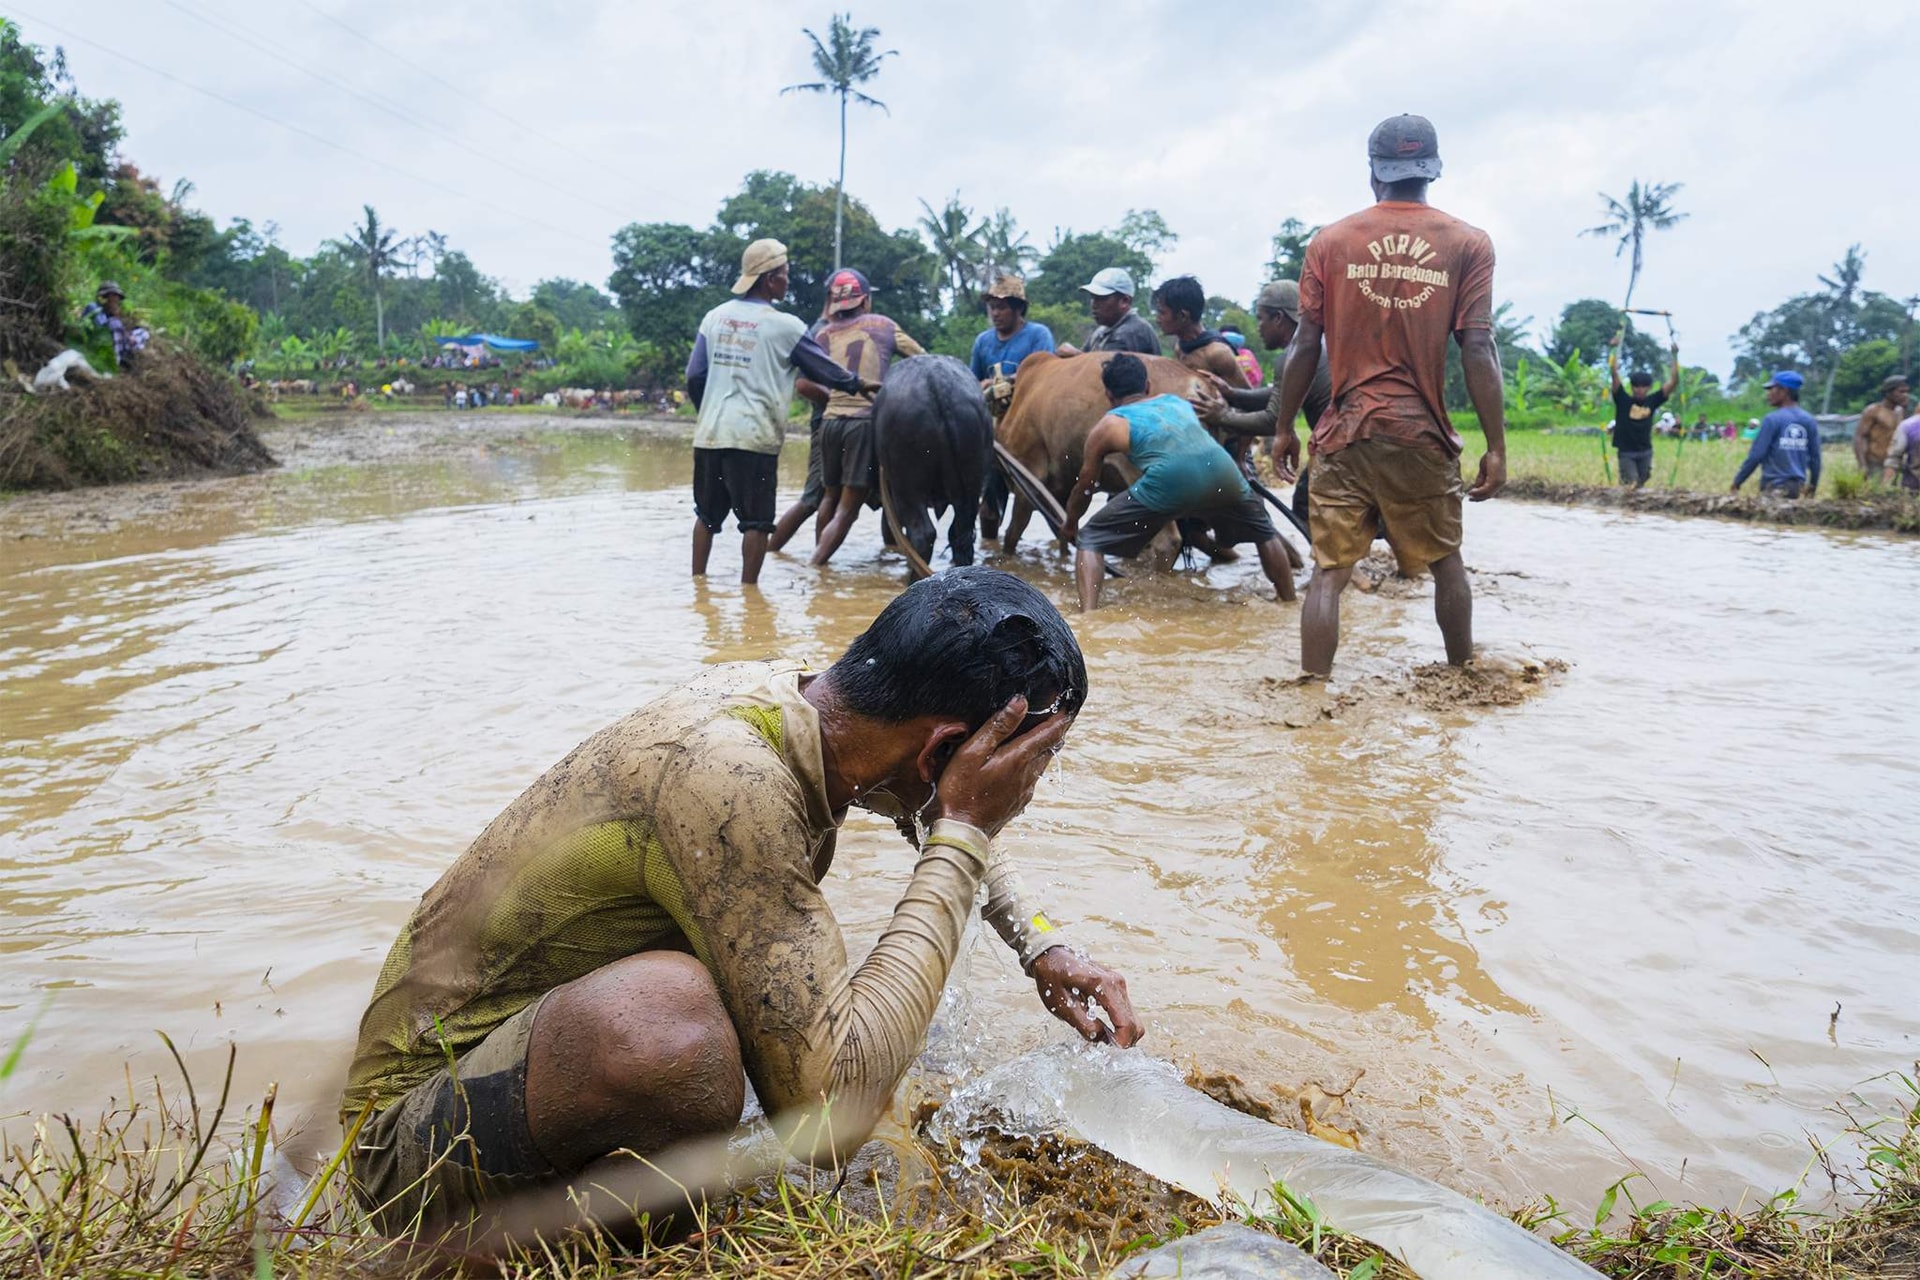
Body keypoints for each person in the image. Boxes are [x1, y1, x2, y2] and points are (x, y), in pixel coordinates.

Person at [341, 568, 1142, 1240]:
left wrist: (1040, 941)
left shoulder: (806, 706)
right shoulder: (732, 781)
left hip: (522, 1070)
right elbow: (831, 1118)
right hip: (405, 1151)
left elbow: (928, 804)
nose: (1022, 793)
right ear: (942, 750)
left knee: (739, 1014)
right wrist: (966, 827)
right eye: (1025, 769)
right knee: (676, 1024)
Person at [1266, 113, 1506, 677]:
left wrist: (1284, 429)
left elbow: (1305, 343)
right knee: (1447, 563)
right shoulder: (1469, 244)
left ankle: (1313, 692)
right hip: (1420, 434)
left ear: (1376, 172)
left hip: (1345, 432)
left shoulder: (1331, 241)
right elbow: (1478, 348)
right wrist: (1495, 445)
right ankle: (1461, 679)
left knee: (1330, 572)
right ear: (1431, 172)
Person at [684, 239, 877, 586]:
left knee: (707, 516)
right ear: (770, 279)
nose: (788, 280)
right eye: (785, 274)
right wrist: (858, 385)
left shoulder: (714, 317)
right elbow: (823, 368)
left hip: (709, 435)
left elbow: (694, 375)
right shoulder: (785, 325)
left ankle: (698, 583)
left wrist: (708, 412)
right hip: (754, 438)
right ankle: (749, 595)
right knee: (756, 523)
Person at [1060, 354, 1295, 611]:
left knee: (1092, 539)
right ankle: (1289, 603)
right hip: (1223, 472)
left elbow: (1085, 485)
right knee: (1265, 533)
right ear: (1147, 385)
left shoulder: (1108, 425)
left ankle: (1089, 617)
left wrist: (1071, 523)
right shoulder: (1175, 401)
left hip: (1168, 482)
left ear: (1108, 393)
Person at [809, 268, 927, 566]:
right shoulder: (883, 325)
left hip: (829, 423)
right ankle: (816, 567)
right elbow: (923, 359)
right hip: (862, 424)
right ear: (865, 301)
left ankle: (817, 554)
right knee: (848, 508)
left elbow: (811, 379)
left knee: (829, 497)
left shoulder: (824, 333)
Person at [1192, 279, 1332, 514]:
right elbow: (1284, 393)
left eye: (1260, 318)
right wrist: (1233, 395)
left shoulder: (1297, 356)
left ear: (1278, 318)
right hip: (1356, 439)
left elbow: (1272, 421)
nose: (1258, 327)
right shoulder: (1320, 344)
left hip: (1340, 445)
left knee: (1306, 507)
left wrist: (1221, 416)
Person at [1607, 330, 1680, 489]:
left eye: (1643, 387)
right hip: (1626, 452)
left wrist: (1674, 356)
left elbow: (1674, 382)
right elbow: (1614, 374)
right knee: (1632, 483)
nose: (1640, 390)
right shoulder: (1622, 399)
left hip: (1645, 450)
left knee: (1642, 481)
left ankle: (1625, 502)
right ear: (1632, 387)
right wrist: (1613, 350)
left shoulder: (1652, 401)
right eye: (1636, 387)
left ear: (1648, 388)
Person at [1732, 370, 1822, 498]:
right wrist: (1812, 487)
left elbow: (1756, 455)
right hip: (1797, 489)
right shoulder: (1808, 420)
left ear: (1784, 391)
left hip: (1774, 487)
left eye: (1771, 390)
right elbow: (1815, 458)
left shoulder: (1772, 419)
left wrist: (1738, 481)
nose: (1768, 395)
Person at [1150, 275, 1248, 390]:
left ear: (1183, 316)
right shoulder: (1180, 348)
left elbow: (1249, 401)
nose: (1157, 319)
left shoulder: (1217, 353)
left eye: (1162, 313)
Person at [970, 275, 1056, 403]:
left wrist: (999, 382)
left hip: (1028, 407)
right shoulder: (982, 341)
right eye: (992, 308)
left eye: (1001, 308)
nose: (995, 314)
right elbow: (973, 381)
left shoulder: (1038, 335)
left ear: (1019, 308)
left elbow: (1042, 375)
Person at [1055, 267, 1161, 357]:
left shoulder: (1132, 332)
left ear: (1124, 301)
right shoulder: (1103, 330)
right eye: (1093, 297)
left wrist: (1075, 355)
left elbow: (1105, 371)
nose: (1094, 304)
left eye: (1101, 298)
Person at [78, 281, 151, 369]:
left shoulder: (111, 311)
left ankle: (125, 356)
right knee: (114, 325)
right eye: (113, 296)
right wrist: (113, 316)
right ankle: (114, 361)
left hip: (114, 343)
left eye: (117, 297)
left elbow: (122, 330)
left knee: (143, 333)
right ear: (105, 296)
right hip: (96, 343)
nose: (116, 299)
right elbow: (101, 328)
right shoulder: (94, 307)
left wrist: (128, 335)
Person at [1854, 375, 1911, 481]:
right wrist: (1862, 465)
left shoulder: (1900, 411)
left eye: (1906, 392)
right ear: (1888, 392)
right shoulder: (1873, 411)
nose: (1905, 395)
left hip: (1892, 465)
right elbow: (1860, 438)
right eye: (1901, 392)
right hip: (1874, 464)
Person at [1884, 407, 1920, 492]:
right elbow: (1894, 458)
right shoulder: (1909, 426)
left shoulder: (1907, 425)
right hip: (1913, 487)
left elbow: (1894, 458)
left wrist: (1885, 485)